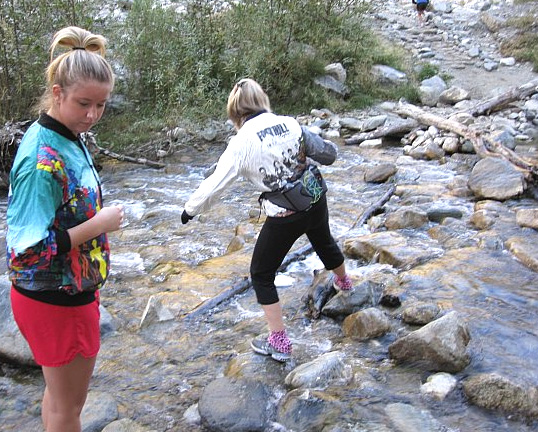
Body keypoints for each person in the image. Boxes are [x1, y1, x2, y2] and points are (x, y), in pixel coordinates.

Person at [181, 78, 353, 362]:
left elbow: (213, 186)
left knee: (261, 274)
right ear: (262, 101)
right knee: (323, 241)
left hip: (285, 215)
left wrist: (190, 210)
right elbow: (328, 154)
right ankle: (344, 284)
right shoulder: (290, 123)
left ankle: (280, 342)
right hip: (314, 198)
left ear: (234, 112)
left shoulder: (241, 142)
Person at [6, 26, 124, 432]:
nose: (93, 114)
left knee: (58, 401)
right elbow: (27, 250)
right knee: (68, 409)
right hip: (55, 299)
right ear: (57, 94)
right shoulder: (43, 158)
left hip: (63, 294)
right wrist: (99, 225)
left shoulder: (65, 133)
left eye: (101, 105)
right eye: (83, 103)